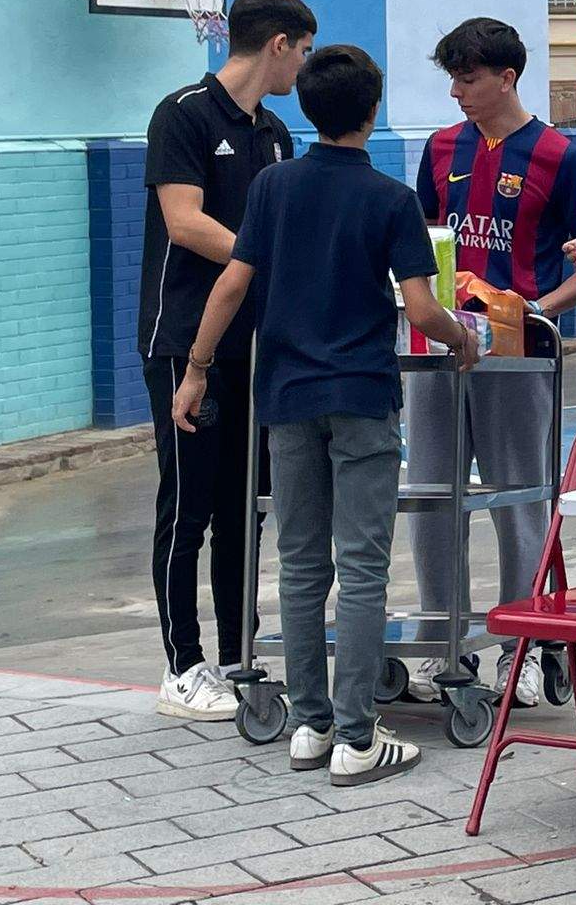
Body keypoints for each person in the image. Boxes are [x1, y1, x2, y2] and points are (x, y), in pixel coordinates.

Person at [174, 45, 476, 786]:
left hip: (286, 398)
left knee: (302, 564)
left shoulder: (273, 187)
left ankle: (308, 725)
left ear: (308, 108)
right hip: (362, 398)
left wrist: (197, 367)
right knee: (363, 567)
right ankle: (359, 738)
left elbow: (231, 288)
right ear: (371, 112)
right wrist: (463, 337)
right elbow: (421, 307)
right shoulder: (387, 199)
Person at [139, 0, 314, 721]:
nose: (302, 68)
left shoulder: (274, 134)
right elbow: (184, 222)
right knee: (191, 509)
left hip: (256, 347)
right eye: (302, 52)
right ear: (278, 45)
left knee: (249, 508)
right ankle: (183, 666)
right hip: (187, 344)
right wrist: (264, 256)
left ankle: (240, 656)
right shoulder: (181, 115)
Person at [403, 18, 576, 708]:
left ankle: (524, 648)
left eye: (469, 79)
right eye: (450, 77)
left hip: (519, 356)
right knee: (430, 494)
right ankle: (439, 642)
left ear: (507, 77)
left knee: (521, 500)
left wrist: (541, 312)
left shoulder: (560, 156)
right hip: (440, 351)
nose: (456, 92)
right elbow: (418, 247)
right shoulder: (440, 149)